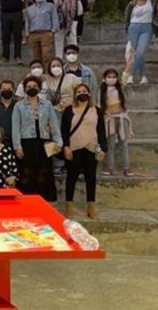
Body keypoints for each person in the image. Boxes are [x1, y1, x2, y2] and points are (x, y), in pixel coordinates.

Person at [11, 76, 62, 202]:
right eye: (29, 87)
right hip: (26, 143)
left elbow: (54, 124)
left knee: (43, 173)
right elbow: (15, 127)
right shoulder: (19, 106)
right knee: (27, 173)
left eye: (34, 86)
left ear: (39, 88)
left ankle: (44, 202)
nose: (32, 89)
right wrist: (17, 147)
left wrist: (58, 142)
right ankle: (26, 203)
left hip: (44, 143)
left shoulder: (47, 104)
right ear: (24, 89)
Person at [62, 84, 106, 218]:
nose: (82, 93)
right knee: (71, 177)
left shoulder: (96, 111)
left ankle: (91, 207)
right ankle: (69, 206)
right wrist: (66, 146)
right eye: (79, 91)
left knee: (91, 178)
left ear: (89, 93)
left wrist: (103, 148)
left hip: (91, 148)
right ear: (75, 95)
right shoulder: (69, 110)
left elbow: (101, 131)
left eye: (85, 91)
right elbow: (64, 130)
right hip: (74, 148)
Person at [99, 69, 132, 176]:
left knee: (124, 144)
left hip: (122, 118)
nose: (112, 79)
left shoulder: (120, 88)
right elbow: (99, 106)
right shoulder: (101, 91)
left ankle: (126, 168)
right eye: (109, 77)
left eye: (114, 77)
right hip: (109, 120)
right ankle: (109, 167)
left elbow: (126, 74)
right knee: (110, 145)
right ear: (104, 79)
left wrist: (129, 61)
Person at [124, 0, 154, 84]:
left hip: (146, 27)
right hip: (134, 28)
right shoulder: (132, 4)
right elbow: (127, 19)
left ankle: (130, 75)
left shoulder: (153, 1)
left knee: (140, 52)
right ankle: (144, 76)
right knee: (138, 54)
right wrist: (127, 30)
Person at [25, 0, 58, 66]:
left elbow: (55, 19)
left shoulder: (50, 6)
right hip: (33, 34)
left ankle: (47, 74)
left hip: (46, 33)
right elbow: (27, 22)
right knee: (36, 57)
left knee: (47, 56)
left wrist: (52, 32)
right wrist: (27, 34)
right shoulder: (30, 9)